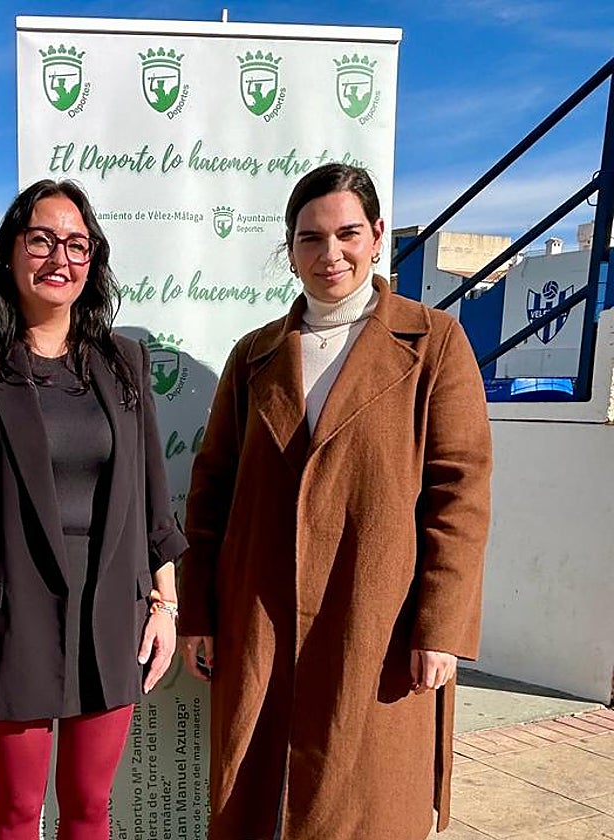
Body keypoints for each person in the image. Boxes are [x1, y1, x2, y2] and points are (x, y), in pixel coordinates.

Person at [178, 163, 492, 840]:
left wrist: (440, 627)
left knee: (367, 804)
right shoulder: (255, 355)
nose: (330, 254)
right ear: (289, 249)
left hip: (376, 615)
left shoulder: (433, 342)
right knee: (257, 797)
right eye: (310, 238)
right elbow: (211, 491)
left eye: (347, 233)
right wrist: (197, 613)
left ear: (377, 236)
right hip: (259, 612)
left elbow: (458, 494)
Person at [0, 178, 187, 840]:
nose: (60, 258)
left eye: (77, 244)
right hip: (12, 617)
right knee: (16, 810)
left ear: (93, 262)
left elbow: (152, 495)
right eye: (42, 240)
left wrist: (165, 605)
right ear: (11, 251)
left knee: (90, 807)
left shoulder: (124, 362)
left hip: (112, 611)